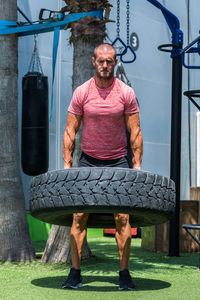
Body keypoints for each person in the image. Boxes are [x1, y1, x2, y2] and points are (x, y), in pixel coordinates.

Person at [62, 43, 143, 290]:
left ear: (115, 62)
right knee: (79, 216)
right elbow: (70, 130)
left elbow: (135, 131)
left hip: (119, 160)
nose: (105, 65)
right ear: (93, 61)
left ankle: (124, 274)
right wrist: (67, 166)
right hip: (88, 160)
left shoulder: (126, 93)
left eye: (110, 61)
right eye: (101, 61)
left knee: (122, 217)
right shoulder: (82, 92)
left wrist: (137, 167)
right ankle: (75, 273)